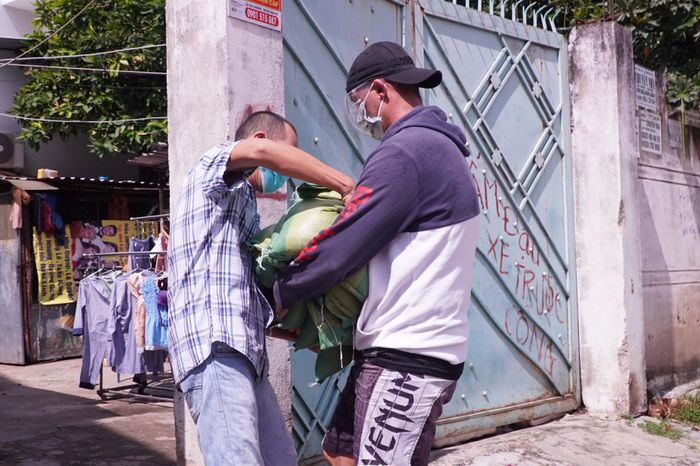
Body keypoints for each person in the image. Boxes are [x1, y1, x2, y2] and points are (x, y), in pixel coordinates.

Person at [274, 42, 481, 466]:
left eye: (358, 102)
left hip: (410, 355)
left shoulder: (406, 152)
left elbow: (340, 248)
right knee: (339, 451)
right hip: (394, 349)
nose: (359, 114)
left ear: (381, 91)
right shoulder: (436, 147)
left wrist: (281, 291)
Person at [167, 110, 354, 466]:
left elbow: (244, 295)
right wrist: (346, 187)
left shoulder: (244, 207)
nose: (285, 174)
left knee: (280, 459)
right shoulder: (210, 169)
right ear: (258, 143)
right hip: (215, 349)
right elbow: (268, 155)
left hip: (246, 356)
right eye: (288, 158)